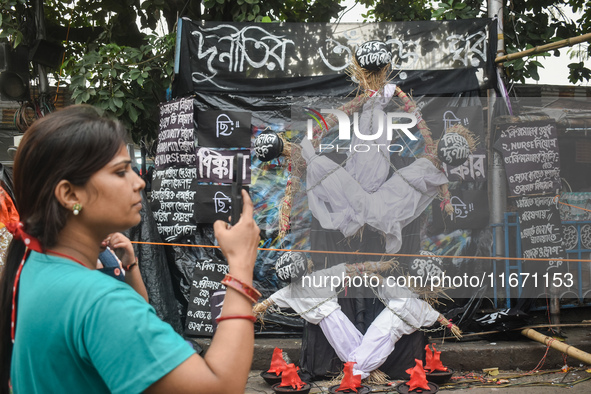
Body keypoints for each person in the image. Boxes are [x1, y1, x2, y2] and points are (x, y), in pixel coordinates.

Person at [0, 105, 260, 394]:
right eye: (121, 172)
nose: (139, 182)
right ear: (70, 194)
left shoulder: (32, 261)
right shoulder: (100, 301)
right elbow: (219, 388)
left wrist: (131, 268)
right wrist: (240, 266)